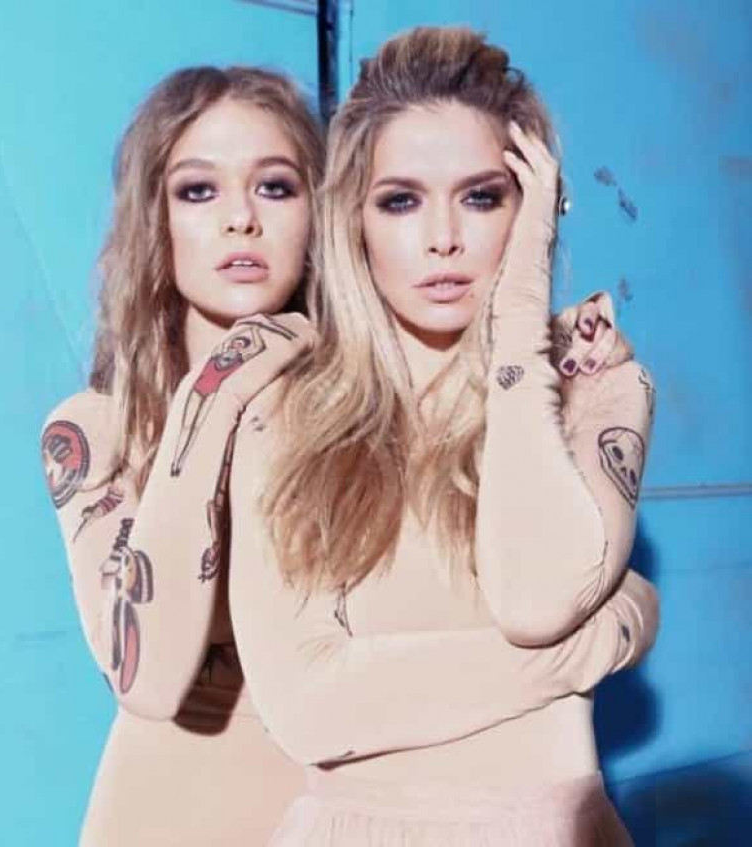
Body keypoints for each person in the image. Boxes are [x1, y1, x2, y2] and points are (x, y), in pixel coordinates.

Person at [226, 27, 658, 846]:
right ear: (353, 219)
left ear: (532, 209)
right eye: (401, 200)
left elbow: (537, 599)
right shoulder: (282, 414)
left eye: (482, 197)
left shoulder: (596, 384)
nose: (443, 238)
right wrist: (610, 630)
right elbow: (307, 708)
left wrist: (521, 312)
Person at [40, 65, 322, 846]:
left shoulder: (363, 413)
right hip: (161, 815)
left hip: (344, 810)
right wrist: (214, 390)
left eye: (275, 187)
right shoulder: (96, 430)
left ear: (317, 214)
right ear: (155, 223)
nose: (241, 219)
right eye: (199, 190)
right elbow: (146, 677)